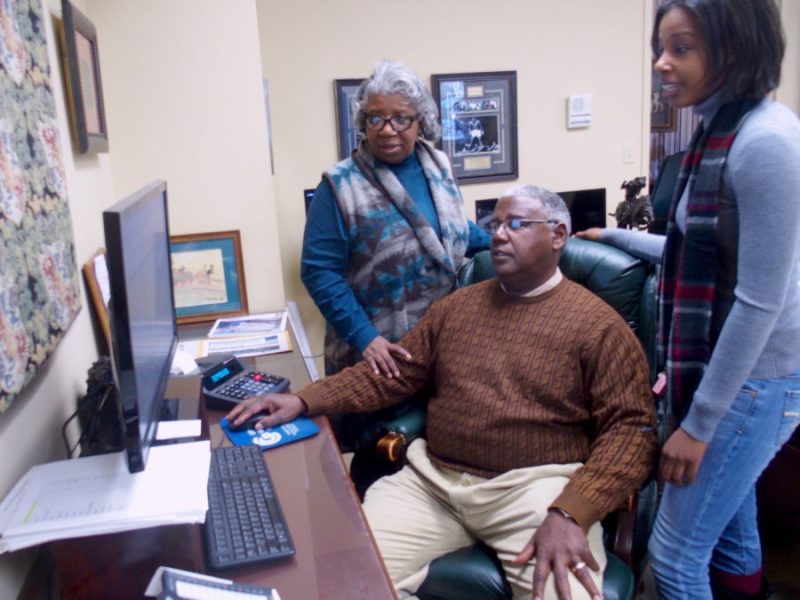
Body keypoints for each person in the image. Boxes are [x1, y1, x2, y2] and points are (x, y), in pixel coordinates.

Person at [230, 185, 657, 600]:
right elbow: (393, 374)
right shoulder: (457, 308)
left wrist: (572, 511)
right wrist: (305, 399)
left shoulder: (599, 327)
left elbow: (632, 430)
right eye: (496, 224)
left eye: (518, 224)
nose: (499, 234)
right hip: (433, 482)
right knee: (343, 579)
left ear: (558, 235)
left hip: (534, 490)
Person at [576, 1, 800, 597]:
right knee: (730, 532)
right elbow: (686, 246)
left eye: (682, 48)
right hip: (729, 377)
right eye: (661, 47)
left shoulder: (767, 142)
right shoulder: (717, 132)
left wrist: (698, 426)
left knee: (674, 559)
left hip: (753, 382)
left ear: (733, 48)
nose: (661, 64)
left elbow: (759, 301)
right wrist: (610, 234)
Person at [301, 59, 489, 495]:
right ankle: (372, 550)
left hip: (441, 346)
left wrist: (503, 239)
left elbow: (452, 230)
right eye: (375, 118)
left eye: (401, 117)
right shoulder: (340, 185)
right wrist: (367, 339)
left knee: (433, 458)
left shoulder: (438, 164)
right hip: (378, 353)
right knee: (379, 464)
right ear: (362, 122)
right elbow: (318, 271)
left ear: (420, 120)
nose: (387, 129)